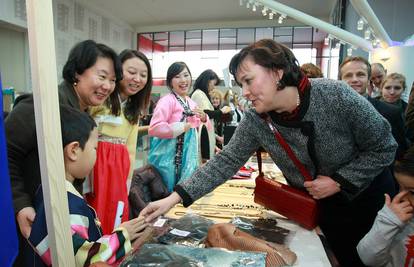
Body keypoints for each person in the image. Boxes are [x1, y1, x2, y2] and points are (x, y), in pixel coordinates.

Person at [140, 39, 398, 267]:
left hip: (373, 203)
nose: (245, 93)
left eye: (249, 80)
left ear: (278, 72)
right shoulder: (256, 120)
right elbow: (226, 161)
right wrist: (173, 199)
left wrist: (340, 180)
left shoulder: (335, 95)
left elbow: (385, 146)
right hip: (325, 210)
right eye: (241, 84)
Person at [6, 40, 122, 266]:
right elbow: (5, 152)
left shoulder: (80, 110)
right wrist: (20, 204)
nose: (108, 86)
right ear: (77, 72)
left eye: (113, 80)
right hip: (29, 219)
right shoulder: (43, 105)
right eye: (101, 76)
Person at [26, 105, 147, 266]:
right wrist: (123, 235)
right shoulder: (65, 203)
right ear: (74, 150)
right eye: (95, 148)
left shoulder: (49, 190)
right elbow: (84, 258)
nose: (96, 155)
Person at [86, 49, 152, 234]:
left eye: (143, 75)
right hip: (95, 163)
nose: (137, 79)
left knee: (115, 211)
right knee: (93, 211)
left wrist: (127, 182)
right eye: (132, 72)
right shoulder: (100, 99)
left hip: (118, 168)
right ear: (117, 71)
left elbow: (130, 148)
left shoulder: (133, 108)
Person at [148, 62, 210, 192]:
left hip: (189, 155)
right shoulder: (166, 101)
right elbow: (154, 128)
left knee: (185, 189)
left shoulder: (192, 103)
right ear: (170, 82)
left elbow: (201, 126)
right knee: (166, 188)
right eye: (177, 77)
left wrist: (204, 118)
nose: (183, 80)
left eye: (186, 75)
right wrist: (180, 128)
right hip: (167, 156)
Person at [339, 56, 409, 160]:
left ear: (368, 80)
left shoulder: (390, 112)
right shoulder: (331, 111)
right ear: (341, 80)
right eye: (348, 75)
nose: (354, 79)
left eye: (360, 74)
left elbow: (399, 150)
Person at [357, 146, 414, 266]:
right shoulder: (397, 216)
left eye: (412, 192)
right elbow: (367, 258)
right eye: (400, 187)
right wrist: (388, 222)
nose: (401, 197)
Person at [191, 69, 231, 161]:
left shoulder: (203, 95)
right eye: (213, 84)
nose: (213, 88)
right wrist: (221, 111)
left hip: (208, 138)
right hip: (203, 139)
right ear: (208, 81)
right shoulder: (199, 94)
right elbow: (206, 113)